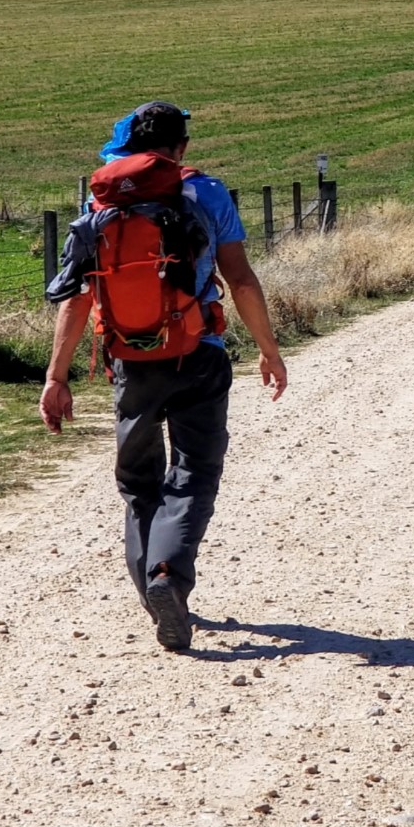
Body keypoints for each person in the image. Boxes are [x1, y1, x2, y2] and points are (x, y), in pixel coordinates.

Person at [39, 100, 288, 652]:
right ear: (182, 147)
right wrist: (269, 351)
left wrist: (57, 377)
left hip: (129, 359)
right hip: (199, 351)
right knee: (196, 470)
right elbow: (241, 280)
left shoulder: (100, 200)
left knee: (137, 483)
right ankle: (167, 579)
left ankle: (154, 586)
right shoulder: (208, 193)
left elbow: (79, 293)